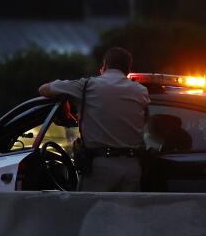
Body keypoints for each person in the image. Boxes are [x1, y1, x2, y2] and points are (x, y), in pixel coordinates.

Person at [39, 46, 149, 192]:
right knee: (126, 214)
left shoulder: (87, 86)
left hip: (100, 167)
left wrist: (65, 103)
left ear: (104, 66)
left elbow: (44, 90)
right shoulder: (141, 91)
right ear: (128, 70)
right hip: (132, 168)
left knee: (92, 213)